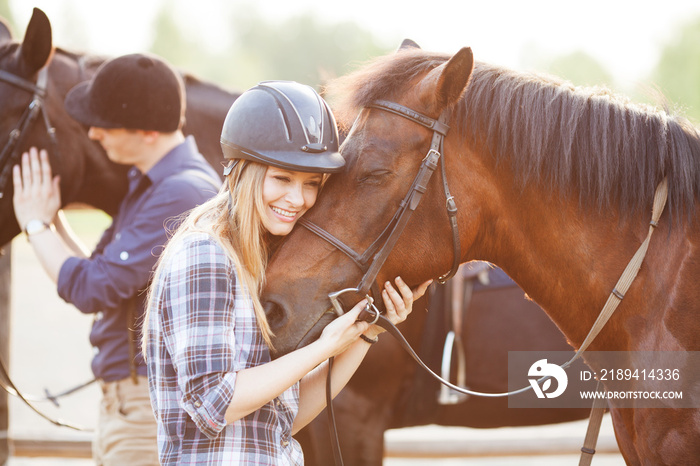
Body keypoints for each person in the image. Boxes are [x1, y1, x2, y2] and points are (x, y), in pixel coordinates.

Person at [142, 81, 431, 465]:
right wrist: (324, 347)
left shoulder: (260, 259)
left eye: (311, 184)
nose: (297, 200)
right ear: (242, 171)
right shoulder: (205, 255)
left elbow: (280, 422)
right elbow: (214, 403)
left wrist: (367, 333)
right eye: (282, 178)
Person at [11, 53, 220, 465]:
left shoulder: (181, 193)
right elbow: (99, 272)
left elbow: (92, 289)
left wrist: (34, 226)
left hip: (147, 408)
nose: (93, 133)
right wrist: (51, 222)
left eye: (103, 123)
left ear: (145, 131)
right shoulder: (151, 185)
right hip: (129, 404)